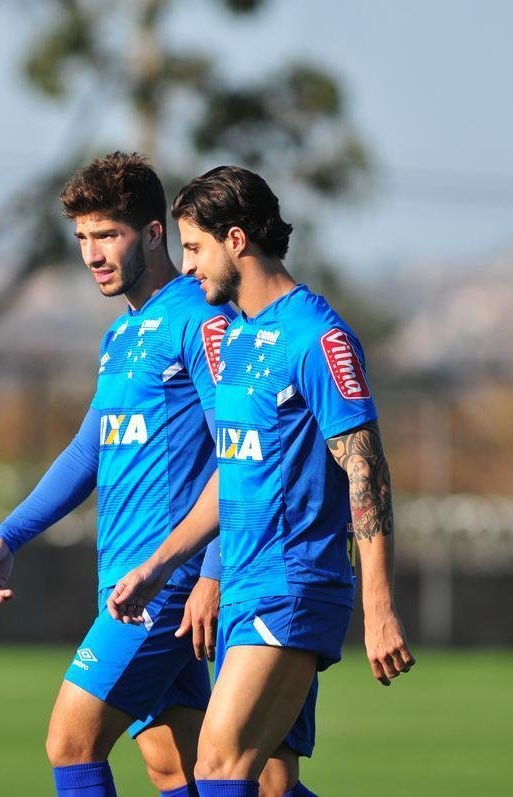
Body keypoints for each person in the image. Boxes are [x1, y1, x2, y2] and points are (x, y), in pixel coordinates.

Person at [108, 165, 415, 797]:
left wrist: (378, 606)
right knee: (271, 784)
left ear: (237, 240)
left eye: (194, 248)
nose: (186, 267)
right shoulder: (241, 341)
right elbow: (233, 475)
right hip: (245, 591)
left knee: (219, 763)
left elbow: (367, 471)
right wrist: (160, 566)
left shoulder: (317, 337)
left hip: (292, 586)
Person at [0, 152, 235, 797]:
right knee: (184, 771)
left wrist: (213, 575)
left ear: (152, 233)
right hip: (123, 579)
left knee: (70, 742)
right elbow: (89, 454)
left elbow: (243, 454)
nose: (92, 254)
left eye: (107, 234)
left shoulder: (201, 321)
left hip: (167, 583)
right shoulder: (121, 336)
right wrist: (7, 536)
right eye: (83, 237)